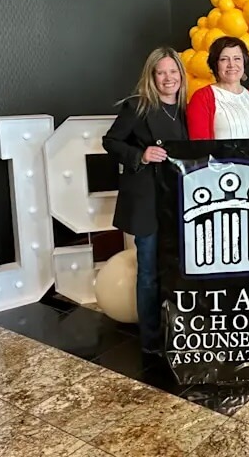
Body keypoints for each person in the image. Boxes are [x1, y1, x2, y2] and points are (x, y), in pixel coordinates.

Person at [102, 46, 188, 354]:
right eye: (161, 72)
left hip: (180, 202)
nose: (168, 78)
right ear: (152, 76)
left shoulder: (186, 108)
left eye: (173, 72)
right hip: (148, 202)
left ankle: (176, 331)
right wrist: (141, 154)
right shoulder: (137, 107)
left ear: (181, 74)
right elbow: (110, 141)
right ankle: (152, 342)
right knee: (149, 270)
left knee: (176, 269)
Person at [186, 36, 249, 140]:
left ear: (244, 62)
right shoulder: (202, 98)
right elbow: (200, 146)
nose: (231, 64)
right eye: (224, 59)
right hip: (223, 157)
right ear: (215, 64)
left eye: (237, 58)